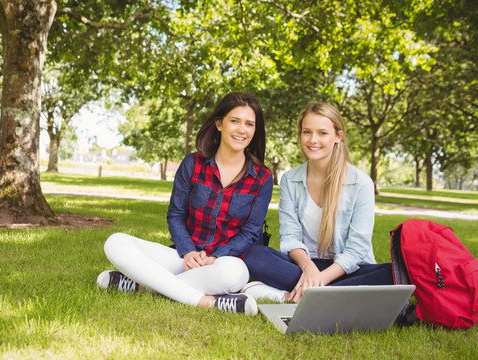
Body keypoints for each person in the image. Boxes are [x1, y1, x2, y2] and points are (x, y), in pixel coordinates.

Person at [97, 92, 273, 315]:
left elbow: (250, 232)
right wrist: (189, 252)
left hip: (223, 262)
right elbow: (176, 214)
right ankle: (208, 302)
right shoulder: (192, 163)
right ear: (219, 124)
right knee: (116, 242)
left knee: (234, 274)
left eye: (249, 124)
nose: (242, 130)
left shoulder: (262, 177)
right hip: (183, 259)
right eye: (234, 121)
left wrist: (215, 256)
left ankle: (143, 286)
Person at [241, 102, 393, 304]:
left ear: (338, 136)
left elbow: (357, 249)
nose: (313, 140)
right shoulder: (290, 180)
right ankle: (333, 296)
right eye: (307, 132)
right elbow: (290, 237)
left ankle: (298, 294)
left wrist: (319, 280)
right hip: (303, 266)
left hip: (345, 269)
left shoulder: (361, 182)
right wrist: (308, 268)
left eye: (322, 133)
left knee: (392, 273)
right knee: (255, 255)